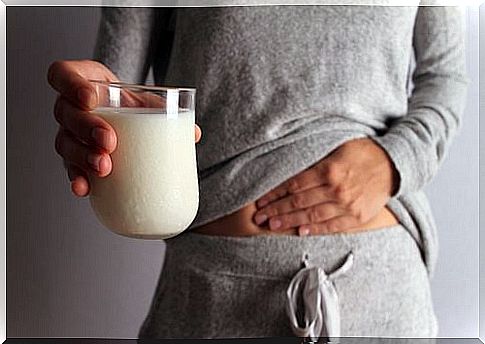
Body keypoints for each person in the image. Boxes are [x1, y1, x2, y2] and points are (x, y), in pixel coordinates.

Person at [48, 4, 468, 339]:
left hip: (382, 297)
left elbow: (445, 74)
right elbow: (118, 92)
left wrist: (395, 162)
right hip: (211, 297)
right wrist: (93, 113)